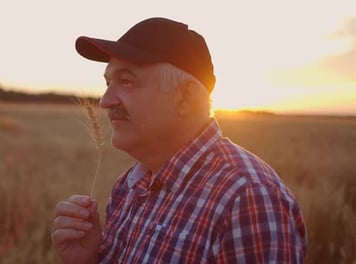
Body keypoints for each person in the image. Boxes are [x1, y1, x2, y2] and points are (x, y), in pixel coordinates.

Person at [52, 17, 307, 263]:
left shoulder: (247, 198)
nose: (105, 101)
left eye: (127, 81)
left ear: (186, 98)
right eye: (108, 83)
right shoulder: (129, 187)